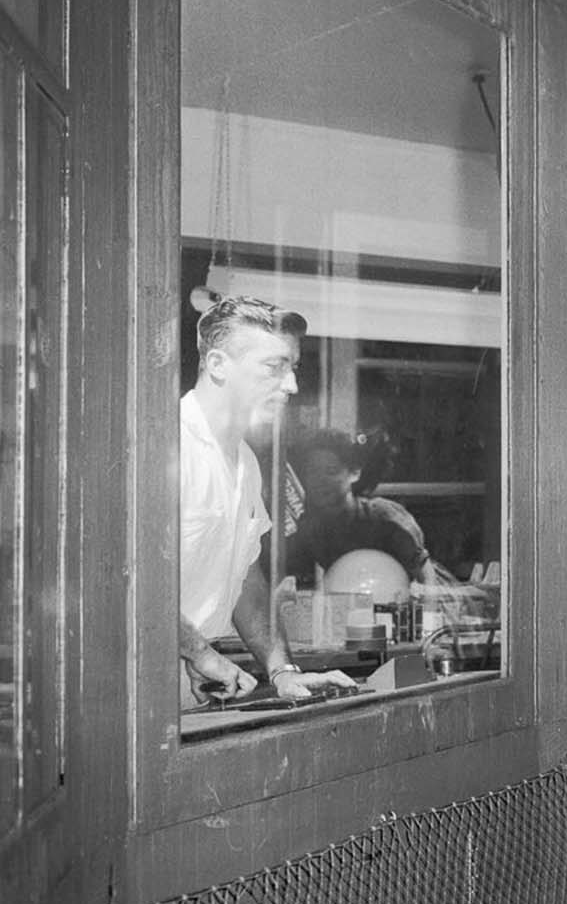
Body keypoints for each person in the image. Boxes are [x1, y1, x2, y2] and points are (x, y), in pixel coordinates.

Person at [178, 295, 357, 706]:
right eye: (273, 368)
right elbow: (128, 583)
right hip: (129, 677)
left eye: (293, 368)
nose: (291, 386)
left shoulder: (243, 460)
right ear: (218, 364)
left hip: (193, 670)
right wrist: (201, 653)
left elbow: (244, 577)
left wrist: (282, 671)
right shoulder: (171, 447)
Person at [281, 430, 436, 586]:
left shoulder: (383, 516)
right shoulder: (311, 527)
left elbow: (426, 577)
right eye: (312, 472)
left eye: (331, 471)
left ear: (354, 473)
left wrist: (429, 608)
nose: (320, 480)